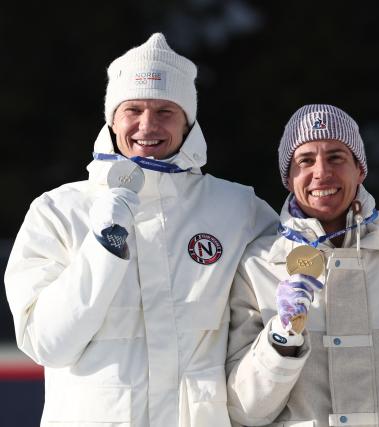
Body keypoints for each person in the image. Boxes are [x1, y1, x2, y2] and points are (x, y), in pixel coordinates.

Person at [4, 33, 277, 427]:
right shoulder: (58, 211)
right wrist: (105, 243)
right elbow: (49, 344)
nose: (147, 125)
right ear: (112, 118)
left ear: (188, 122)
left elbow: (297, 286)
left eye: (165, 110)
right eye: (133, 109)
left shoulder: (238, 209)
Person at [226, 104, 379, 426]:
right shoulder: (257, 265)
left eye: (336, 157)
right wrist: (281, 341)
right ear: (288, 177)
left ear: (360, 169)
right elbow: (244, 410)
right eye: (305, 160)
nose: (322, 172)